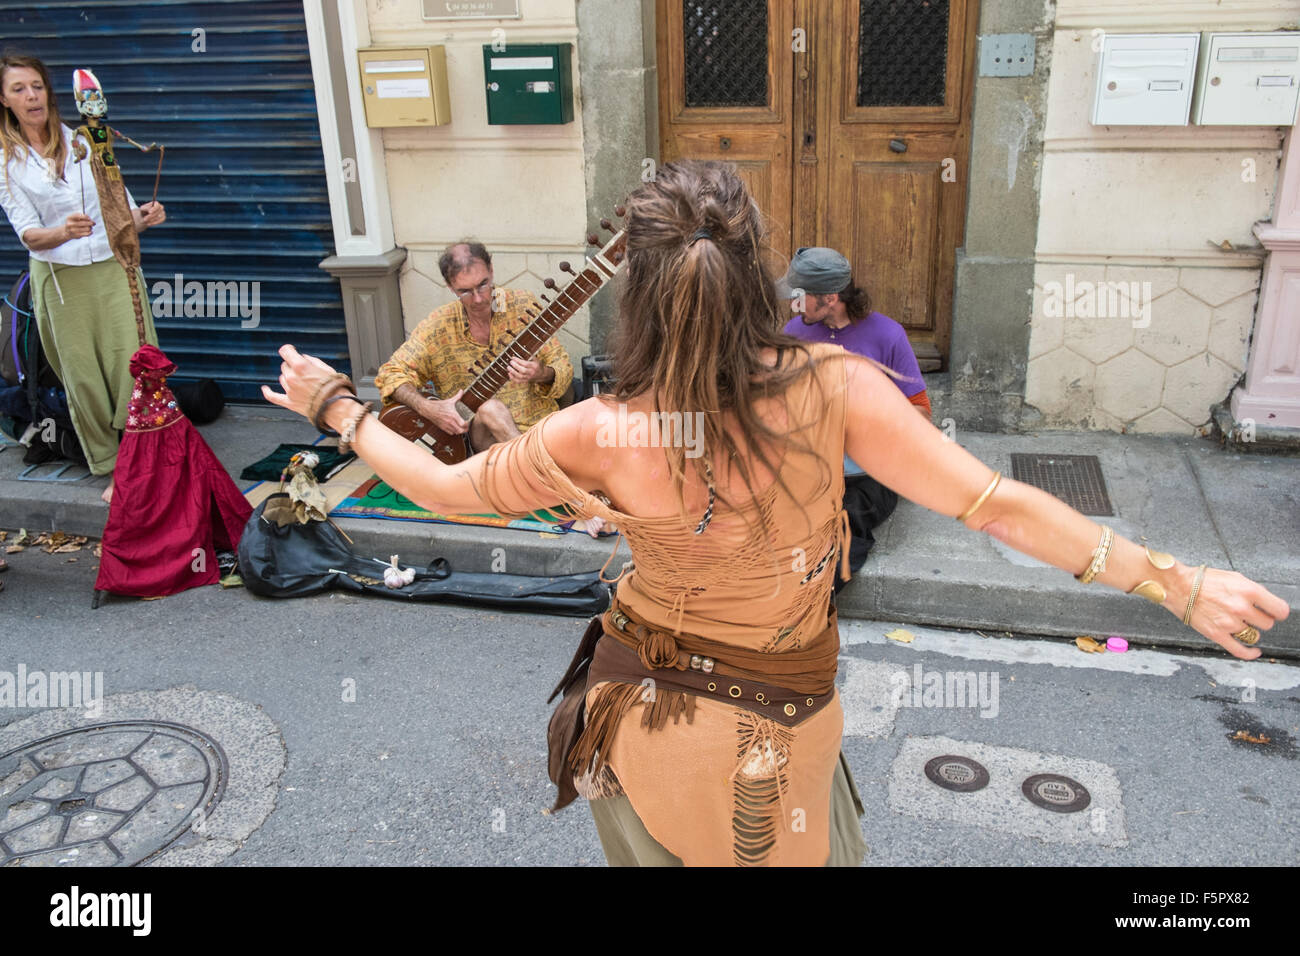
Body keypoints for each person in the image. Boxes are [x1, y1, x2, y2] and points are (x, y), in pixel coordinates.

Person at [264, 159, 1288, 867]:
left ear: (643, 295)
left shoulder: (602, 429)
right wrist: (1172, 580)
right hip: (777, 742)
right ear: (759, 266)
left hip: (631, 727)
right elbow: (1000, 506)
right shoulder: (836, 389)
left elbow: (440, 486)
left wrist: (336, 406)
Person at [0, 54, 165, 503]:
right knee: (85, 378)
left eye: (36, 85)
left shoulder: (88, 141)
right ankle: (112, 466)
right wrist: (61, 232)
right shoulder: (8, 162)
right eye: (19, 89)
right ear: (5, 99)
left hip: (113, 270)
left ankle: (141, 458)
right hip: (62, 280)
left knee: (133, 366)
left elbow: (119, 209)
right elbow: (29, 233)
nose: (31, 95)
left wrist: (143, 218)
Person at [781, 246, 929, 579]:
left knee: (845, 523)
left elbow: (921, 412)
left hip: (870, 475)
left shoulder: (888, 335)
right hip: (812, 469)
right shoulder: (793, 334)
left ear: (830, 298)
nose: (794, 305)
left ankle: (812, 608)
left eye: (801, 297)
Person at [373, 241, 574, 453]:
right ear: (450, 287)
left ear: (492, 271)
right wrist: (429, 408)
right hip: (482, 442)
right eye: (465, 291)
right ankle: (539, 466)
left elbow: (563, 368)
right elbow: (390, 373)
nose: (478, 299)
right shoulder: (439, 326)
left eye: (483, 285)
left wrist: (541, 373)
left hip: (538, 428)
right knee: (490, 409)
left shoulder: (523, 306)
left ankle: (533, 461)